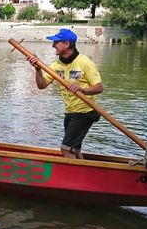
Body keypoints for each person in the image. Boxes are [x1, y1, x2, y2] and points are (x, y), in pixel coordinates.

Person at [27, 28, 103, 159]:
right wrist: (38, 69)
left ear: (67, 44)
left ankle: (74, 177)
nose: (53, 46)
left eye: (56, 43)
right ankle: (83, 174)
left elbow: (99, 87)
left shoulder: (85, 62)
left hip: (85, 112)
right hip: (70, 113)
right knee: (74, 149)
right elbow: (42, 85)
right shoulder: (56, 66)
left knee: (66, 149)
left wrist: (82, 89)